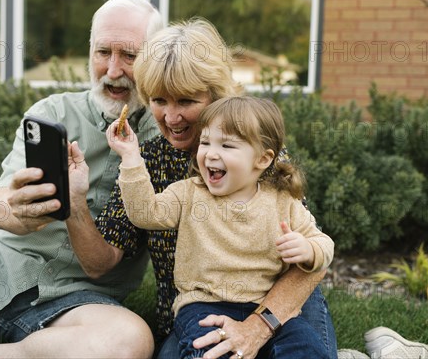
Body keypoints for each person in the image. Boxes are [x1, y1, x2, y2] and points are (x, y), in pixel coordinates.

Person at [0, 0, 164, 359]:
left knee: (126, 342)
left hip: (74, 301)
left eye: (130, 56)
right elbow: (1, 207)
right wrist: (13, 212)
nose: (112, 70)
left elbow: (99, 266)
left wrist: (74, 202)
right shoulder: (52, 111)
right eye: (103, 52)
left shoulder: (166, 136)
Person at [68, 18, 339, 359]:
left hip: (274, 300)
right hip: (198, 310)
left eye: (186, 101)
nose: (171, 117)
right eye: (159, 100)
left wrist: (258, 326)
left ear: (215, 95)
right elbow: (101, 262)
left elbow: (311, 254)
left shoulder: (255, 151)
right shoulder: (146, 161)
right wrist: (73, 200)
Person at [107, 95, 335, 358]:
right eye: (205, 142)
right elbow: (145, 214)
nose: (211, 153)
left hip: (264, 306)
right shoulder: (188, 193)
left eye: (227, 145)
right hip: (204, 306)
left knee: (306, 349)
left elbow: (324, 243)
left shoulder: (283, 201)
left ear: (262, 159)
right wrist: (131, 157)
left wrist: (308, 249)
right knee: (212, 351)